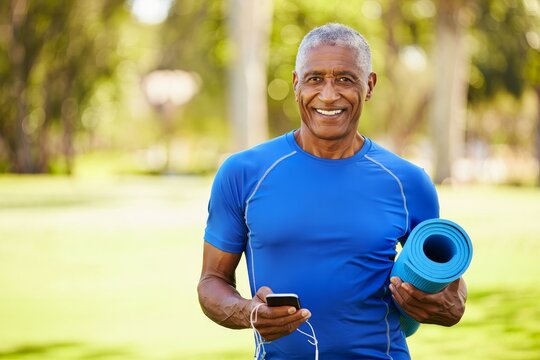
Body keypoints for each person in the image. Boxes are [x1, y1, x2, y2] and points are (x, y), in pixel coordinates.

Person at [197, 23, 467, 359]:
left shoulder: (409, 182)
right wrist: (249, 312)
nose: (328, 95)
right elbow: (211, 282)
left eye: (345, 79)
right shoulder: (243, 174)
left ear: (369, 86)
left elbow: (446, 279)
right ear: (296, 84)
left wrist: (451, 305)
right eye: (314, 79)